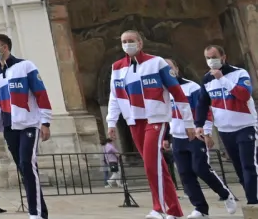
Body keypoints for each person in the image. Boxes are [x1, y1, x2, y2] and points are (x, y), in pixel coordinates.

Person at [105, 30, 192, 219]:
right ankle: (175, 210)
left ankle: (158, 208)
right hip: (133, 120)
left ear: (140, 43)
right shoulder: (117, 67)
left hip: (155, 119)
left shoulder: (157, 63)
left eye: (131, 41)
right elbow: (114, 96)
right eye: (124, 41)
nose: (128, 44)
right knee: (156, 165)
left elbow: (177, 92)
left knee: (152, 164)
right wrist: (111, 122)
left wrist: (189, 122)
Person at [0, 33, 50, 219]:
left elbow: (41, 93)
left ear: (4, 47)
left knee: (28, 164)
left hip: (28, 123)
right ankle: (39, 210)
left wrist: (45, 121)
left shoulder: (25, 66)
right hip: (9, 125)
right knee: (23, 167)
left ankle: (36, 214)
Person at [163, 58, 237, 217]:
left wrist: (206, 131)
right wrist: (165, 137)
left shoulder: (191, 87)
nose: (168, 71)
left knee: (200, 168)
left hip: (195, 135)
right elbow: (164, 116)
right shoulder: (162, 92)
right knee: (185, 174)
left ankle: (225, 194)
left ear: (176, 68)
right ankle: (201, 209)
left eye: (170, 67)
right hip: (177, 137)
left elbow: (204, 109)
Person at [195, 44, 258, 206]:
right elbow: (202, 103)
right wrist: (199, 125)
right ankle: (251, 197)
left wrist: (222, 79)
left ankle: (253, 202)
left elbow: (244, 95)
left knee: (249, 165)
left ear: (223, 57)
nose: (211, 61)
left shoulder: (239, 73)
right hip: (224, 130)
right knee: (238, 168)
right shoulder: (206, 79)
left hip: (245, 127)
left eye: (214, 57)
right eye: (208, 58)